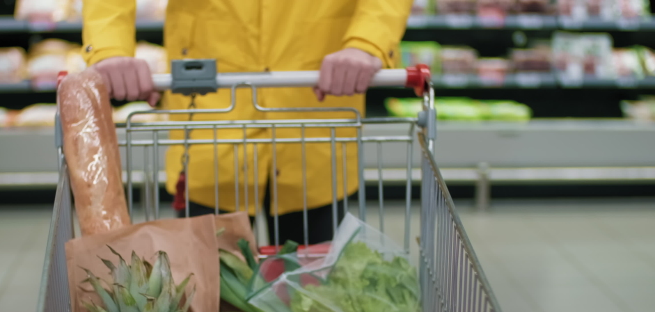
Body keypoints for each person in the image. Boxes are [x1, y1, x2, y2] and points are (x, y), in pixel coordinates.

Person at [83, 0, 411, 245]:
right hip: (212, 116)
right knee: (215, 309)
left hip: (313, 114)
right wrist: (110, 47)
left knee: (313, 307)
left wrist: (368, 42)